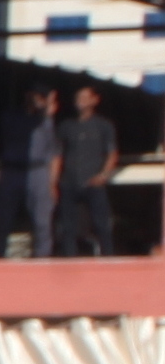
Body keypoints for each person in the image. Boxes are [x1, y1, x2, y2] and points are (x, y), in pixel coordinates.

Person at [53, 83, 125, 257]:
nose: (80, 101)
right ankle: (70, 263)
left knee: (102, 225)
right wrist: (53, 182)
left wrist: (103, 175)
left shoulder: (104, 125)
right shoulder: (66, 126)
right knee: (68, 227)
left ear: (95, 100)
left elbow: (112, 153)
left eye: (85, 97)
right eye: (78, 97)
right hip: (69, 182)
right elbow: (57, 155)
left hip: (94, 182)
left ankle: (108, 260)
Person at [0, 89, 58, 259]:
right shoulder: (11, 116)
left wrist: (48, 115)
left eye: (42, 97)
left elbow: (53, 151)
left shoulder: (47, 121)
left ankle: (43, 258)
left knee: (42, 221)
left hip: (38, 171)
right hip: (12, 171)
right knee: (4, 218)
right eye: (36, 97)